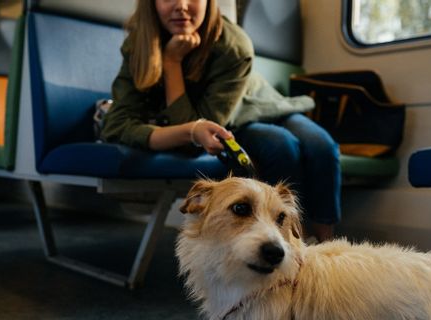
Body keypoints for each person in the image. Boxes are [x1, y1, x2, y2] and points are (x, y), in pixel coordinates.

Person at [101, 0, 340, 242]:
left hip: (266, 106)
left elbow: (197, 124)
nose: (181, 6)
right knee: (281, 146)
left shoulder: (233, 44)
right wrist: (172, 62)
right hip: (233, 123)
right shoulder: (139, 44)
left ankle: (325, 243)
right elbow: (187, 133)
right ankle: (292, 242)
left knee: (323, 145)